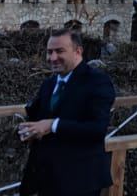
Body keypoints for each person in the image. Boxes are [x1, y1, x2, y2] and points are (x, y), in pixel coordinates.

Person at [19, 28, 116, 196]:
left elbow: (97, 129)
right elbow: (38, 119)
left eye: (59, 51)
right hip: (45, 179)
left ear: (78, 51)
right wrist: (28, 130)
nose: (53, 58)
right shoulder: (48, 84)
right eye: (49, 52)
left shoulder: (97, 82)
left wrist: (53, 125)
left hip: (79, 181)